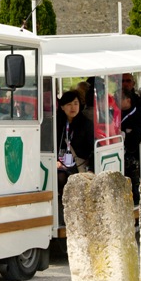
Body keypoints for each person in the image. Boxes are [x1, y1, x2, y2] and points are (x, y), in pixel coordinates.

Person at [56, 90, 94, 224]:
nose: (73, 108)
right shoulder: (58, 123)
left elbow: (92, 148)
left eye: (76, 104)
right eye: (69, 104)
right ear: (62, 107)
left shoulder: (86, 124)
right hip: (61, 163)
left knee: (66, 178)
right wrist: (55, 160)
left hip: (79, 164)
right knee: (58, 176)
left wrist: (92, 168)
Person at [118, 89, 141, 203]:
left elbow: (138, 133)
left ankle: (136, 199)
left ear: (128, 100)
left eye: (119, 99)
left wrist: (127, 139)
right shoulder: (112, 113)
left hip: (133, 152)